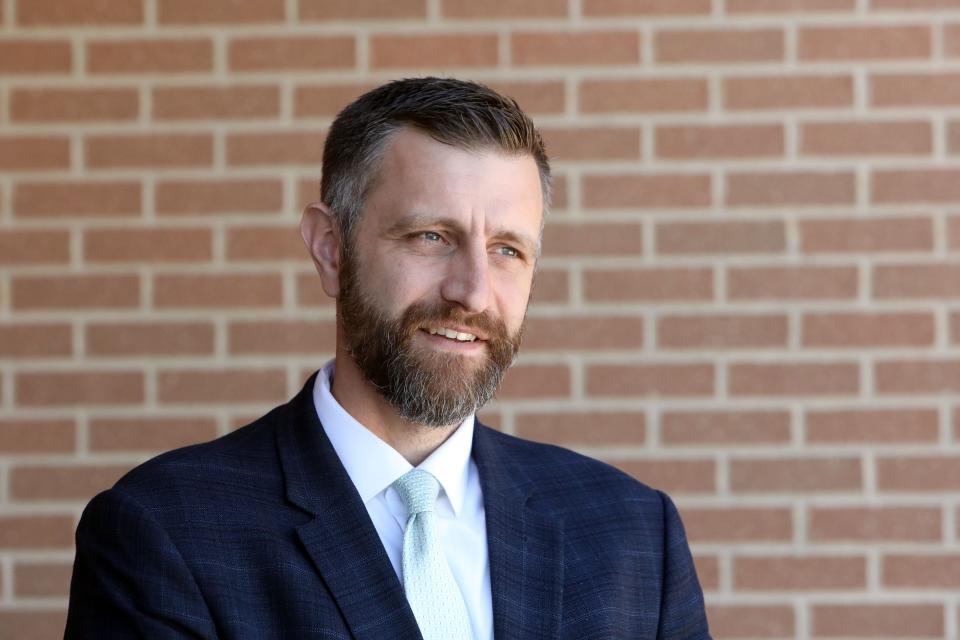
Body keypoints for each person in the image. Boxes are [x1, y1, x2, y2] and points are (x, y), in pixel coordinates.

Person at [64, 77, 711, 639]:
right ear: (330, 249)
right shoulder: (168, 531)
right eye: (432, 236)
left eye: (509, 250)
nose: (473, 291)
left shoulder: (630, 534)